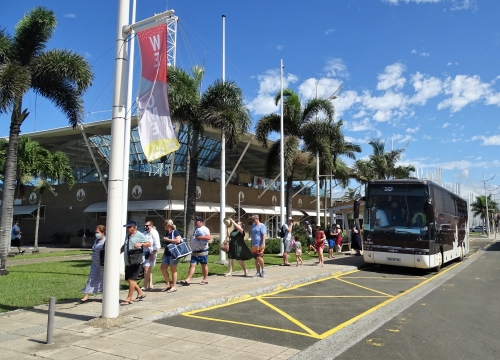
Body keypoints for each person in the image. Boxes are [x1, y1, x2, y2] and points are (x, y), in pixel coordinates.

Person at [120, 220, 150, 305]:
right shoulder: (127, 235)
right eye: (127, 227)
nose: (127, 229)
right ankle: (140, 292)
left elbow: (149, 244)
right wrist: (119, 251)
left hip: (137, 260)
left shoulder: (140, 235)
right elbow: (125, 245)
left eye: (129, 227)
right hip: (128, 261)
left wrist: (141, 244)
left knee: (131, 279)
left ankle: (129, 298)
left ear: (134, 227)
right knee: (127, 279)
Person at [180, 216, 211, 286]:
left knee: (204, 265)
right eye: (195, 221)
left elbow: (208, 237)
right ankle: (188, 279)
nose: (195, 222)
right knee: (192, 265)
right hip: (195, 251)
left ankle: (205, 279)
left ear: (201, 222)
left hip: (203, 251)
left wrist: (199, 237)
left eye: (196, 221)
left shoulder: (205, 229)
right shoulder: (195, 229)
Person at [80, 225, 106, 303]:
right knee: (91, 278)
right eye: (95, 232)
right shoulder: (96, 241)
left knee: (104, 279)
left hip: (102, 264)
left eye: (98, 232)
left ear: (103, 232)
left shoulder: (106, 241)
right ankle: (86, 295)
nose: (96, 234)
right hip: (95, 263)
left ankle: (106, 295)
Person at [161, 219, 181, 293]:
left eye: (164, 225)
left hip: (173, 254)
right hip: (167, 253)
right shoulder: (167, 233)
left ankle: (174, 286)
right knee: (163, 268)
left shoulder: (175, 232)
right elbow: (167, 245)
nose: (164, 226)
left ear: (168, 225)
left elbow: (178, 240)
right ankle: (168, 284)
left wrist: (168, 239)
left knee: (173, 270)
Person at [142, 220, 161, 290]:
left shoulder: (154, 233)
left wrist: (152, 254)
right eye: (145, 225)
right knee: (148, 268)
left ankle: (145, 285)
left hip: (151, 252)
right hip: (145, 253)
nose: (145, 227)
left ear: (151, 226)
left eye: (147, 226)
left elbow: (157, 245)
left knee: (146, 268)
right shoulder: (144, 233)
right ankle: (150, 284)